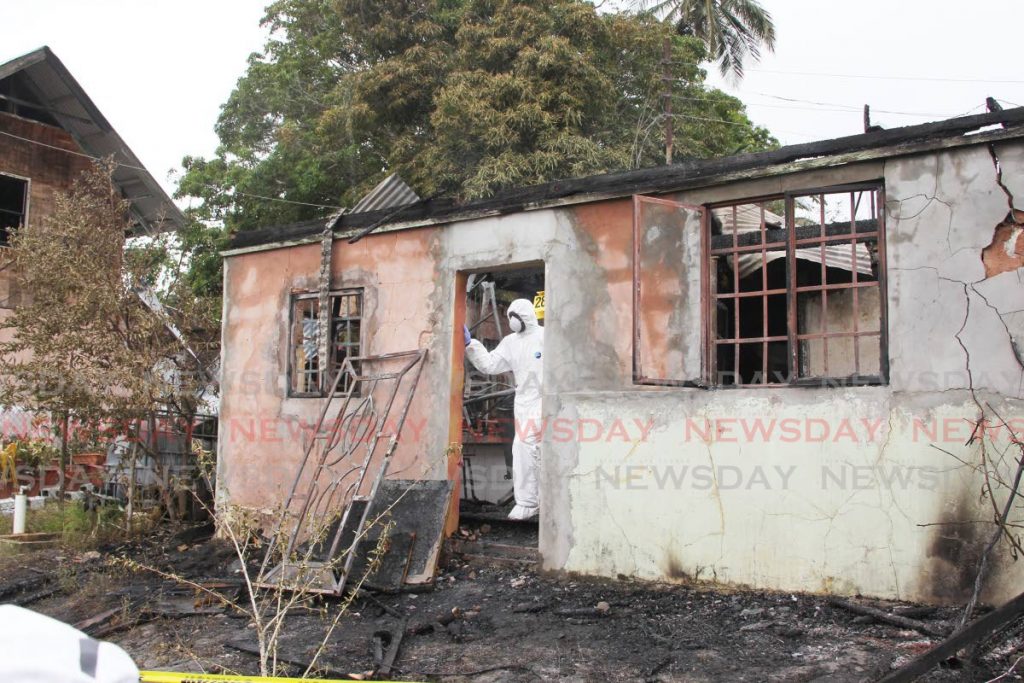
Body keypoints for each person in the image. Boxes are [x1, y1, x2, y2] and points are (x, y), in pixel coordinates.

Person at [464, 298, 544, 520]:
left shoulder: (546, 337)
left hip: (546, 401)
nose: (513, 321)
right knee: (525, 449)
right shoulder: (510, 342)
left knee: (534, 449)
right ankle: (531, 502)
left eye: (516, 316)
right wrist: (471, 344)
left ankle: (538, 502)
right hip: (524, 403)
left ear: (527, 316)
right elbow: (490, 364)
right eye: (510, 316)